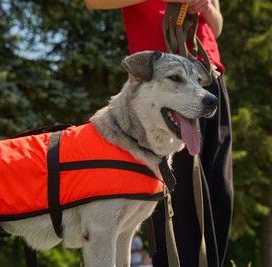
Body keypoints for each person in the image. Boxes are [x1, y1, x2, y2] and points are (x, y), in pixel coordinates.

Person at [84, 1, 233, 266]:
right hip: (161, 79)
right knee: (180, 199)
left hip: (208, 75)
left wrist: (208, 8)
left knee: (218, 194)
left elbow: (217, 25)